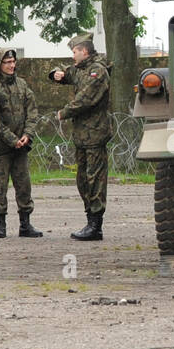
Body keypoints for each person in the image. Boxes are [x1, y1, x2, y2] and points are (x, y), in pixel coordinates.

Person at [49, 34, 112, 241]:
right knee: (83, 179)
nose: (73, 56)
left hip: (95, 134)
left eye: (74, 52)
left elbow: (86, 98)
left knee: (95, 179)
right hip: (81, 136)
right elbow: (67, 74)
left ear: (84, 51)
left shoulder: (98, 71)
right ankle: (89, 220)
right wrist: (55, 74)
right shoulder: (81, 69)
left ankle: (96, 225)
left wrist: (65, 112)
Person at [0, 48, 43, 238]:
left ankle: (25, 224)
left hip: (22, 146)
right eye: (7, 62)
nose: (11, 65)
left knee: (24, 185)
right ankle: (0, 224)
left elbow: (32, 111)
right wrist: (11, 139)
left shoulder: (22, 84)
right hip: (2, 148)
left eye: (13, 61)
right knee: (0, 187)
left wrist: (27, 134)